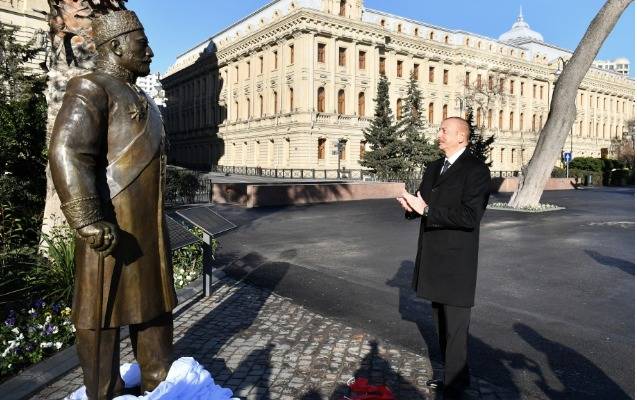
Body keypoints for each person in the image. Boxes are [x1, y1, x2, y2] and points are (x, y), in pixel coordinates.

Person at [49, 11, 177, 400]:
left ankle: (159, 385)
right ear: (117, 46)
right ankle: (103, 392)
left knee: (154, 308)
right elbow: (69, 151)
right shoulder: (90, 87)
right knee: (100, 315)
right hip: (109, 224)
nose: (150, 52)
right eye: (142, 45)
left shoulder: (142, 98)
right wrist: (87, 218)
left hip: (148, 229)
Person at [397, 117, 491, 398]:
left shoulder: (476, 171)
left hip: (457, 261)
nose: (438, 134)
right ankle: (452, 377)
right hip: (433, 257)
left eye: (444, 131)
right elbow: (423, 202)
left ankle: (456, 384)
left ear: (461, 137)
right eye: (440, 130)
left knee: (456, 328)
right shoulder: (434, 167)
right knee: (440, 323)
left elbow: (470, 216)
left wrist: (425, 211)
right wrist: (411, 207)